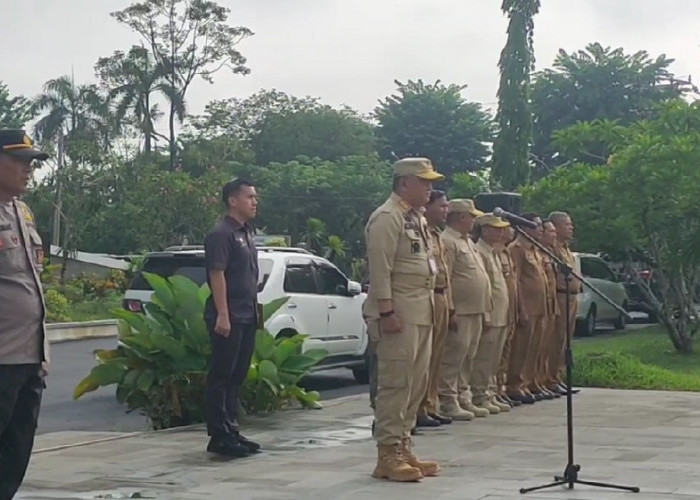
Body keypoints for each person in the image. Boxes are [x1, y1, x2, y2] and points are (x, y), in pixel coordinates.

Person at [364, 157, 443, 482]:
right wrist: (386, 312)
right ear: (404, 184)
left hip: (420, 311)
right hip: (397, 312)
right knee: (395, 384)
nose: (430, 188)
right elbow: (380, 270)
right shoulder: (387, 217)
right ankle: (387, 454)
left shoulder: (416, 218)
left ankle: (404, 443)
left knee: (415, 383)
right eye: (423, 182)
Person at [0, 129, 50, 499]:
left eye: (30, 162)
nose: (27, 169)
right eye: (19, 161)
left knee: (16, 450)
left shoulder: (22, 212)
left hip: (28, 356)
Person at [203, 178, 262, 458]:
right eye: (249, 196)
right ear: (232, 200)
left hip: (248, 314)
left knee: (237, 375)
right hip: (229, 316)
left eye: (255, 197)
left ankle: (231, 428)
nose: (254, 201)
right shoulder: (222, 234)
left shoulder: (247, 232)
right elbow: (217, 274)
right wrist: (223, 314)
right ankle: (218, 434)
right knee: (221, 375)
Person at [437, 199, 491, 421]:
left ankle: (463, 396)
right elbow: (445, 278)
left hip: (475, 309)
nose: (474, 222)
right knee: (454, 357)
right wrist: (450, 309)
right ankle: (448, 400)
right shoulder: (447, 241)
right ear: (461, 217)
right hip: (460, 309)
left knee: (468, 357)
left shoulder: (467, 241)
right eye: (471, 217)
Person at [416, 190, 453, 428]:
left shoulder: (437, 235)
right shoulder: (421, 232)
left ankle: (430, 403)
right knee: (424, 358)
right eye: (441, 206)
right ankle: (418, 408)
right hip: (426, 296)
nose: (445, 211)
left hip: (440, 297)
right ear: (428, 207)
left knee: (436, 357)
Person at [506, 213, 548, 404]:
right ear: (523, 227)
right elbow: (516, 280)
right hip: (527, 307)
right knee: (520, 348)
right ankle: (514, 385)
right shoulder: (517, 249)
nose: (540, 229)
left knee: (534, 348)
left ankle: (529, 382)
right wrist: (520, 308)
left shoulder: (535, 249)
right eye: (536, 225)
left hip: (540, 307)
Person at [472, 213, 512, 414]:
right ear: (485, 229)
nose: (501, 232)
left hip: (501, 313)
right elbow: (484, 288)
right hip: (491, 313)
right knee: (483, 359)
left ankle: (490, 392)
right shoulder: (479, 251)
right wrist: (486, 314)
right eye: (496, 229)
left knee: (494, 358)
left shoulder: (494, 252)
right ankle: (479, 395)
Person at [549, 211, 581, 392]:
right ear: (557, 226)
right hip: (560, 296)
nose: (571, 228)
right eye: (567, 225)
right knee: (557, 339)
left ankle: (559, 376)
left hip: (572, 296)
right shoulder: (552, 248)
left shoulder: (565, 247)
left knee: (566, 341)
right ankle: (550, 378)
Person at [535, 219, 562, 398]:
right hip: (533, 306)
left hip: (550, 302)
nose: (554, 235)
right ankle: (528, 383)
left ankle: (543, 380)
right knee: (531, 348)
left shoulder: (548, 252)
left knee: (546, 346)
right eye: (550, 231)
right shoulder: (521, 251)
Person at [496, 225, 520, 408]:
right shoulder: (486, 251)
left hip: (508, 308)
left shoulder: (504, 252)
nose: (508, 231)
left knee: (502, 353)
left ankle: (497, 390)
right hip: (491, 310)